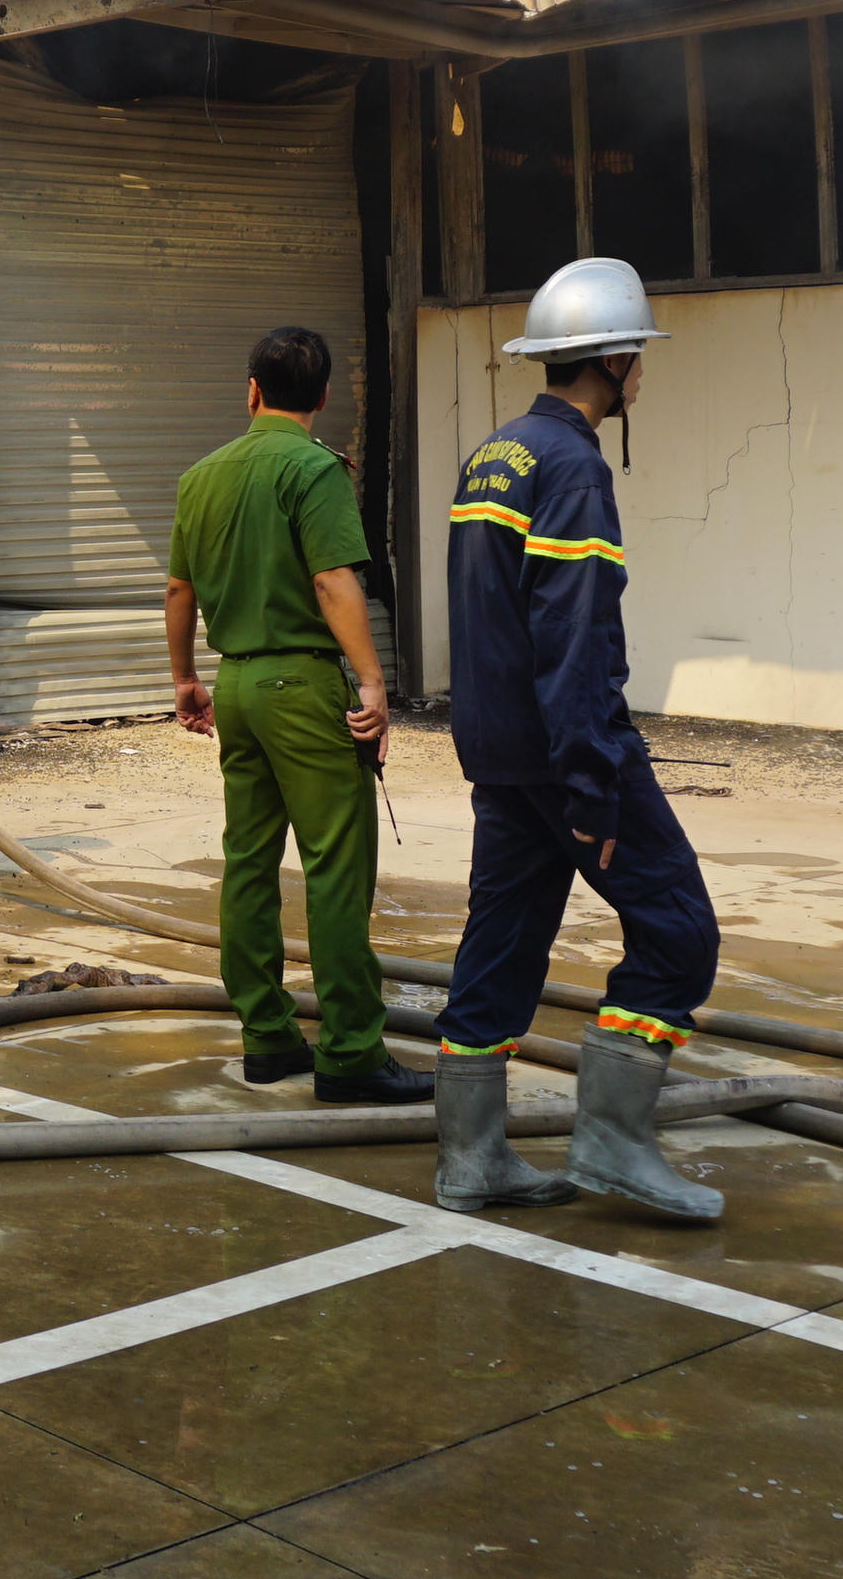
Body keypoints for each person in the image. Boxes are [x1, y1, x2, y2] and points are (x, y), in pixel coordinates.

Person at [432, 256, 722, 1223]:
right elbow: (574, 631)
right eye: (638, 356)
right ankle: (613, 1143)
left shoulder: (496, 453)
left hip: (500, 755)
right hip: (567, 754)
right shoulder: (573, 467)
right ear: (612, 361)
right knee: (678, 932)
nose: (642, 373)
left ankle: (472, 1161)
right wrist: (593, 781)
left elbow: (487, 616)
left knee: (502, 946)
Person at [163, 328, 422, 1107]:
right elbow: (333, 581)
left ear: (252, 391)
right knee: (335, 866)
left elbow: (179, 591)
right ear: (324, 396)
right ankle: (351, 1052)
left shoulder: (201, 476)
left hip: (236, 685)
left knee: (248, 859)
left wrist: (185, 678)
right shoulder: (314, 469)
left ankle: (268, 1036)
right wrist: (372, 683)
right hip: (301, 686)